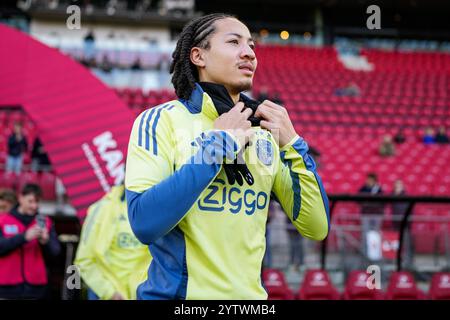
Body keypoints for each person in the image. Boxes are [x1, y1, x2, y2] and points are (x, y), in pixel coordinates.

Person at [125, 13, 329, 300]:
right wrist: (216, 148)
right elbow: (144, 223)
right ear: (198, 56)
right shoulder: (160, 121)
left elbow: (316, 227)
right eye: (234, 42)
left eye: (252, 46)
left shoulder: (263, 134)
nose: (248, 53)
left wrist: (294, 145)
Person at [74, 184, 151, 300]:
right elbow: (84, 259)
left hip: (142, 295)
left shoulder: (158, 211)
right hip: (104, 295)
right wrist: (110, 293)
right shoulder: (101, 209)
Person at [0, 184, 60, 299]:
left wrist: (45, 242)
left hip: (36, 288)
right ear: (20, 198)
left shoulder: (45, 221)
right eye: (30, 201)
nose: (34, 206)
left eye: (37, 202)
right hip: (6, 288)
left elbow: (55, 253)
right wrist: (24, 237)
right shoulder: (3, 220)